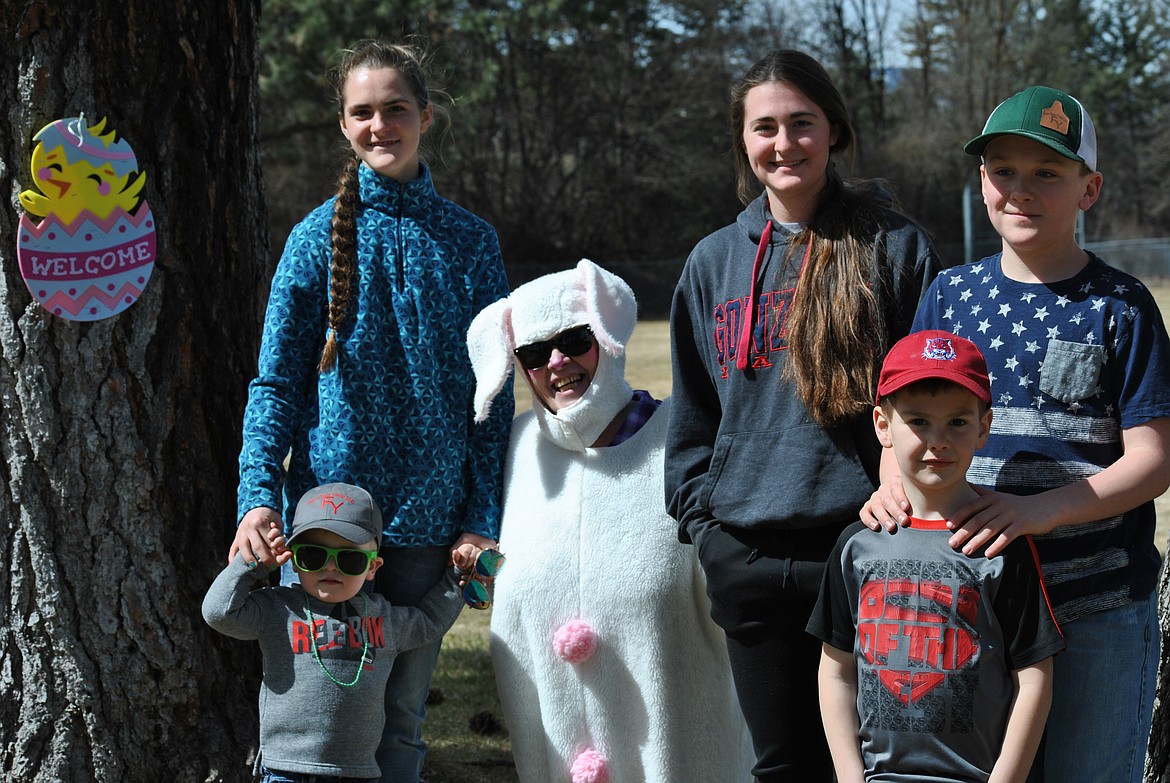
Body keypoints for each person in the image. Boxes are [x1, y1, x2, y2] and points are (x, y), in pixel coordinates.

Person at [862, 85, 1170, 782]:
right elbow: (905, 418)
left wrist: (1038, 510)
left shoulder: (1120, 306)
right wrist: (891, 485)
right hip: (977, 604)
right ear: (980, 182)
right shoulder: (948, 295)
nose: (1020, 190)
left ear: (1089, 189)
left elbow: (1154, 458)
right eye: (1003, 170)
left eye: (1047, 173)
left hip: (1095, 610)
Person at [229, 39, 512, 782]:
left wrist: (482, 514)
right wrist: (257, 494)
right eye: (363, 112)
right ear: (343, 123)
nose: (379, 125)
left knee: (404, 725)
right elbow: (275, 384)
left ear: (424, 115)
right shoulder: (311, 241)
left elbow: (494, 394)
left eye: (395, 109)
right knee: (319, 724)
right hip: (328, 529)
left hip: (427, 532)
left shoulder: (470, 242)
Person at [663, 49, 942, 782]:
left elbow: (932, 404)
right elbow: (693, 415)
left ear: (835, 131)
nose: (783, 143)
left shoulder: (894, 248)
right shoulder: (712, 263)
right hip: (747, 558)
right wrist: (707, 527)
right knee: (783, 766)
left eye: (801, 123)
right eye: (765, 127)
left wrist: (904, 510)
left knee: (884, 763)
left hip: (864, 549)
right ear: (743, 141)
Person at [466, 258, 755, 783]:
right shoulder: (513, 453)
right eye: (533, 352)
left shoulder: (684, 444)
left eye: (576, 340)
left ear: (605, 330)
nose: (556, 361)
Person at [809, 330, 1065, 782]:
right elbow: (836, 670)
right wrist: (850, 776)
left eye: (958, 423)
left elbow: (1034, 676)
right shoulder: (857, 544)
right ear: (883, 426)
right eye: (919, 421)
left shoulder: (1000, 544)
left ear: (984, 427)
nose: (938, 440)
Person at [203, 483, 464, 782]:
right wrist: (251, 567)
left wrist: (459, 577)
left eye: (349, 559)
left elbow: (430, 621)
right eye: (312, 556)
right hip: (285, 770)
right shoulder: (278, 609)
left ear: (372, 567)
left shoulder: (384, 618)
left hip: (356, 773)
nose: (330, 567)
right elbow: (218, 613)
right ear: (291, 558)